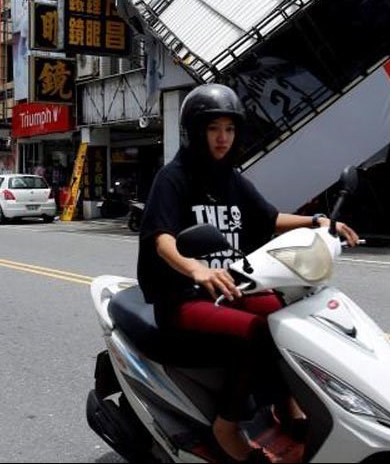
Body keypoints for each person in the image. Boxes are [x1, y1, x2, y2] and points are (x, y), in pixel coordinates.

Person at [138, 83, 359, 463]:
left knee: (285, 315)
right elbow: (161, 238)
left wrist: (318, 222)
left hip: (229, 290)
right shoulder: (174, 177)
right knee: (256, 332)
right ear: (195, 132)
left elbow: (268, 218)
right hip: (182, 298)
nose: (222, 138)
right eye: (213, 128)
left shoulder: (231, 178)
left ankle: (285, 406)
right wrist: (195, 269)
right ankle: (227, 425)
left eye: (229, 128)